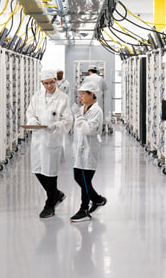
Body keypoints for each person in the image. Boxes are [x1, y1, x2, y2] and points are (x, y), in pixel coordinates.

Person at [25, 69, 73, 218]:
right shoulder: (36, 97)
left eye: (52, 82)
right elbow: (30, 113)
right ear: (42, 83)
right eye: (46, 83)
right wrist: (33, 122)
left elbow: (68, 120)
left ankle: (50, 204)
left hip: (52, 139)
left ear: (56, 81)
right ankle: (57, 194)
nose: (50, 86)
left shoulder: (63, 98)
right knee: (37, 170)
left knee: (51, 173)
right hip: (38, 138)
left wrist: (55, 126)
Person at [69, 79, 107, 222]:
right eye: (80, 94)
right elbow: (77, 129)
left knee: (85, 180)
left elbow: (88, 129)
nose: (81, 97)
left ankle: (84, 209)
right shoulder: (82, 108)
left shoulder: (96, 111)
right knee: (78, 177)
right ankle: (97, 199)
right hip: (79, 150)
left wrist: (78, 116)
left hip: (90, 150)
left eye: (83, 94)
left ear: (92, 95)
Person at [81, 67, 110, 132]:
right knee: (98, 113)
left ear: (90, 71)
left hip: (89, 99)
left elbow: (82, 88)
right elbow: (105, 88)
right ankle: (100, 127)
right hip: (99, 99)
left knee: (88, 113)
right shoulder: (101, 78)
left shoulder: (86, 78)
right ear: (96, 71)